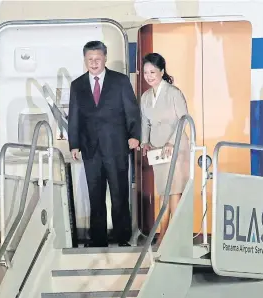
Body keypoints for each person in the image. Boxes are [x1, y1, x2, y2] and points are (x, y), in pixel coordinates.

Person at [68, 41, 141, 247]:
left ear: (105, 58)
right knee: (95, 195)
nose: (94, 63)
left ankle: (122, 237)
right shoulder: (77, 85)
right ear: (85, 60)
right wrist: (74, 144)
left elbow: (132, 111)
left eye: (97, 59)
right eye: (90, 59)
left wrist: (134, 134)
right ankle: (98, 238)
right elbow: (74, 117)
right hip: (91, 149)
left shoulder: (120, 81)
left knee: (119, 194)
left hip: (116, 147)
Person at [140, 53, 190, 246]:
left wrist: (171, 142)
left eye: (153, 72)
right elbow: (145, 122)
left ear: (162, 71)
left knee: (174, 190)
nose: (149, 76)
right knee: (163, 191)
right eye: (146, 72)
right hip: (158, 149)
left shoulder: (173, 92)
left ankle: (170, 234)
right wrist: (145, 141)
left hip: (175, 146)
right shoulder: (145, 97)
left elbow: (184, 119)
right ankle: (164, 231)